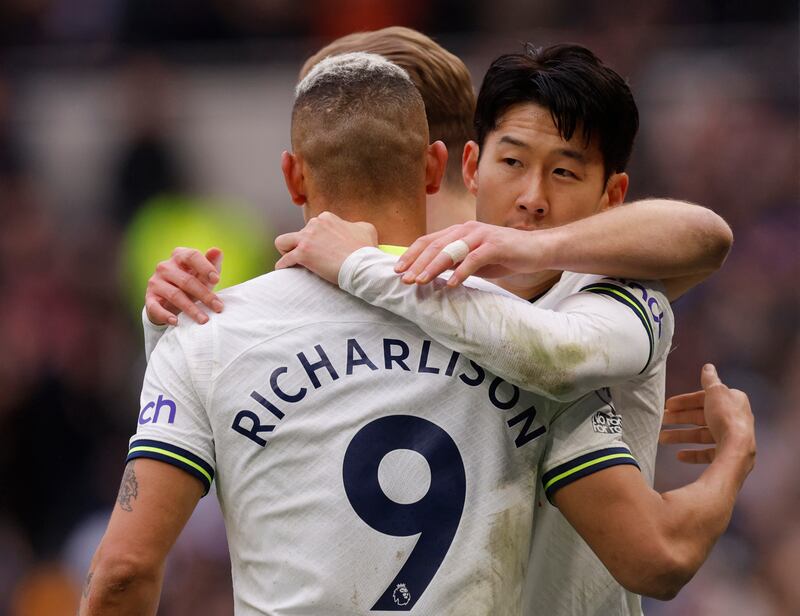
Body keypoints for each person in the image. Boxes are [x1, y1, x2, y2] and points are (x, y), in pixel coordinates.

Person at [141, 34, 737, 614]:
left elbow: (705, 241)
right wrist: (173, 325)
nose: (532, 197)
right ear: (468, 165)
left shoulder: (602, 294)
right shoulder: (404, 300)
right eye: (514, 161)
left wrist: (366, 266)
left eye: (563, 172)